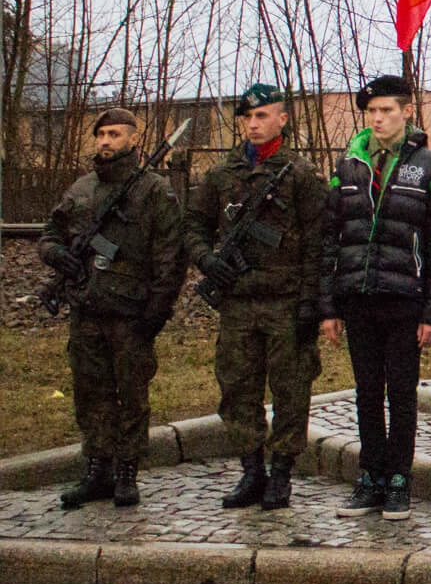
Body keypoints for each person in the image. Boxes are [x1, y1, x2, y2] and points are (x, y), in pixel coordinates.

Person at [184, 83, 329, 510]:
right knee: (237, 388)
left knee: (291, 390)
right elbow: (192, 225)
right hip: (238, 302)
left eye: (262, 115)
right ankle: (251, 471)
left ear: (282, 119)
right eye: (247, 117)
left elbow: (320, 243)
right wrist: (206, 259)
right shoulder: (222, 174)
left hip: (286, 302)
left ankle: (281, 473)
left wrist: (311, 302)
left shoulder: (301, 175)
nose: (253, 124)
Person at [318, 75, 431, 521]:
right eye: (372, 111)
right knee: (366, 393)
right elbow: (330, 238)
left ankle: (399, 479)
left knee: (401, 393)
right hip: (358, 296)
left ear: (407, 112)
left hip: (405, 300)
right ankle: (369, 476)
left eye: (387, 111)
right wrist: (328, 306)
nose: (377, 119)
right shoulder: (348, 165)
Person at [39, 108, 186, 509]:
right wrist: (57, 255)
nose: (105, 141)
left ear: (133, 139)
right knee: (91, 393)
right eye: (101, 134)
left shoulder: (154, 191)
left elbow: (171, 257)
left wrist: (157, 312)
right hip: (86, 309)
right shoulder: (81, 189)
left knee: (131, 394)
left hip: (130, 314)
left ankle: (127, 472)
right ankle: (97, 469)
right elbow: (50, 234)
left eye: (115, 134)